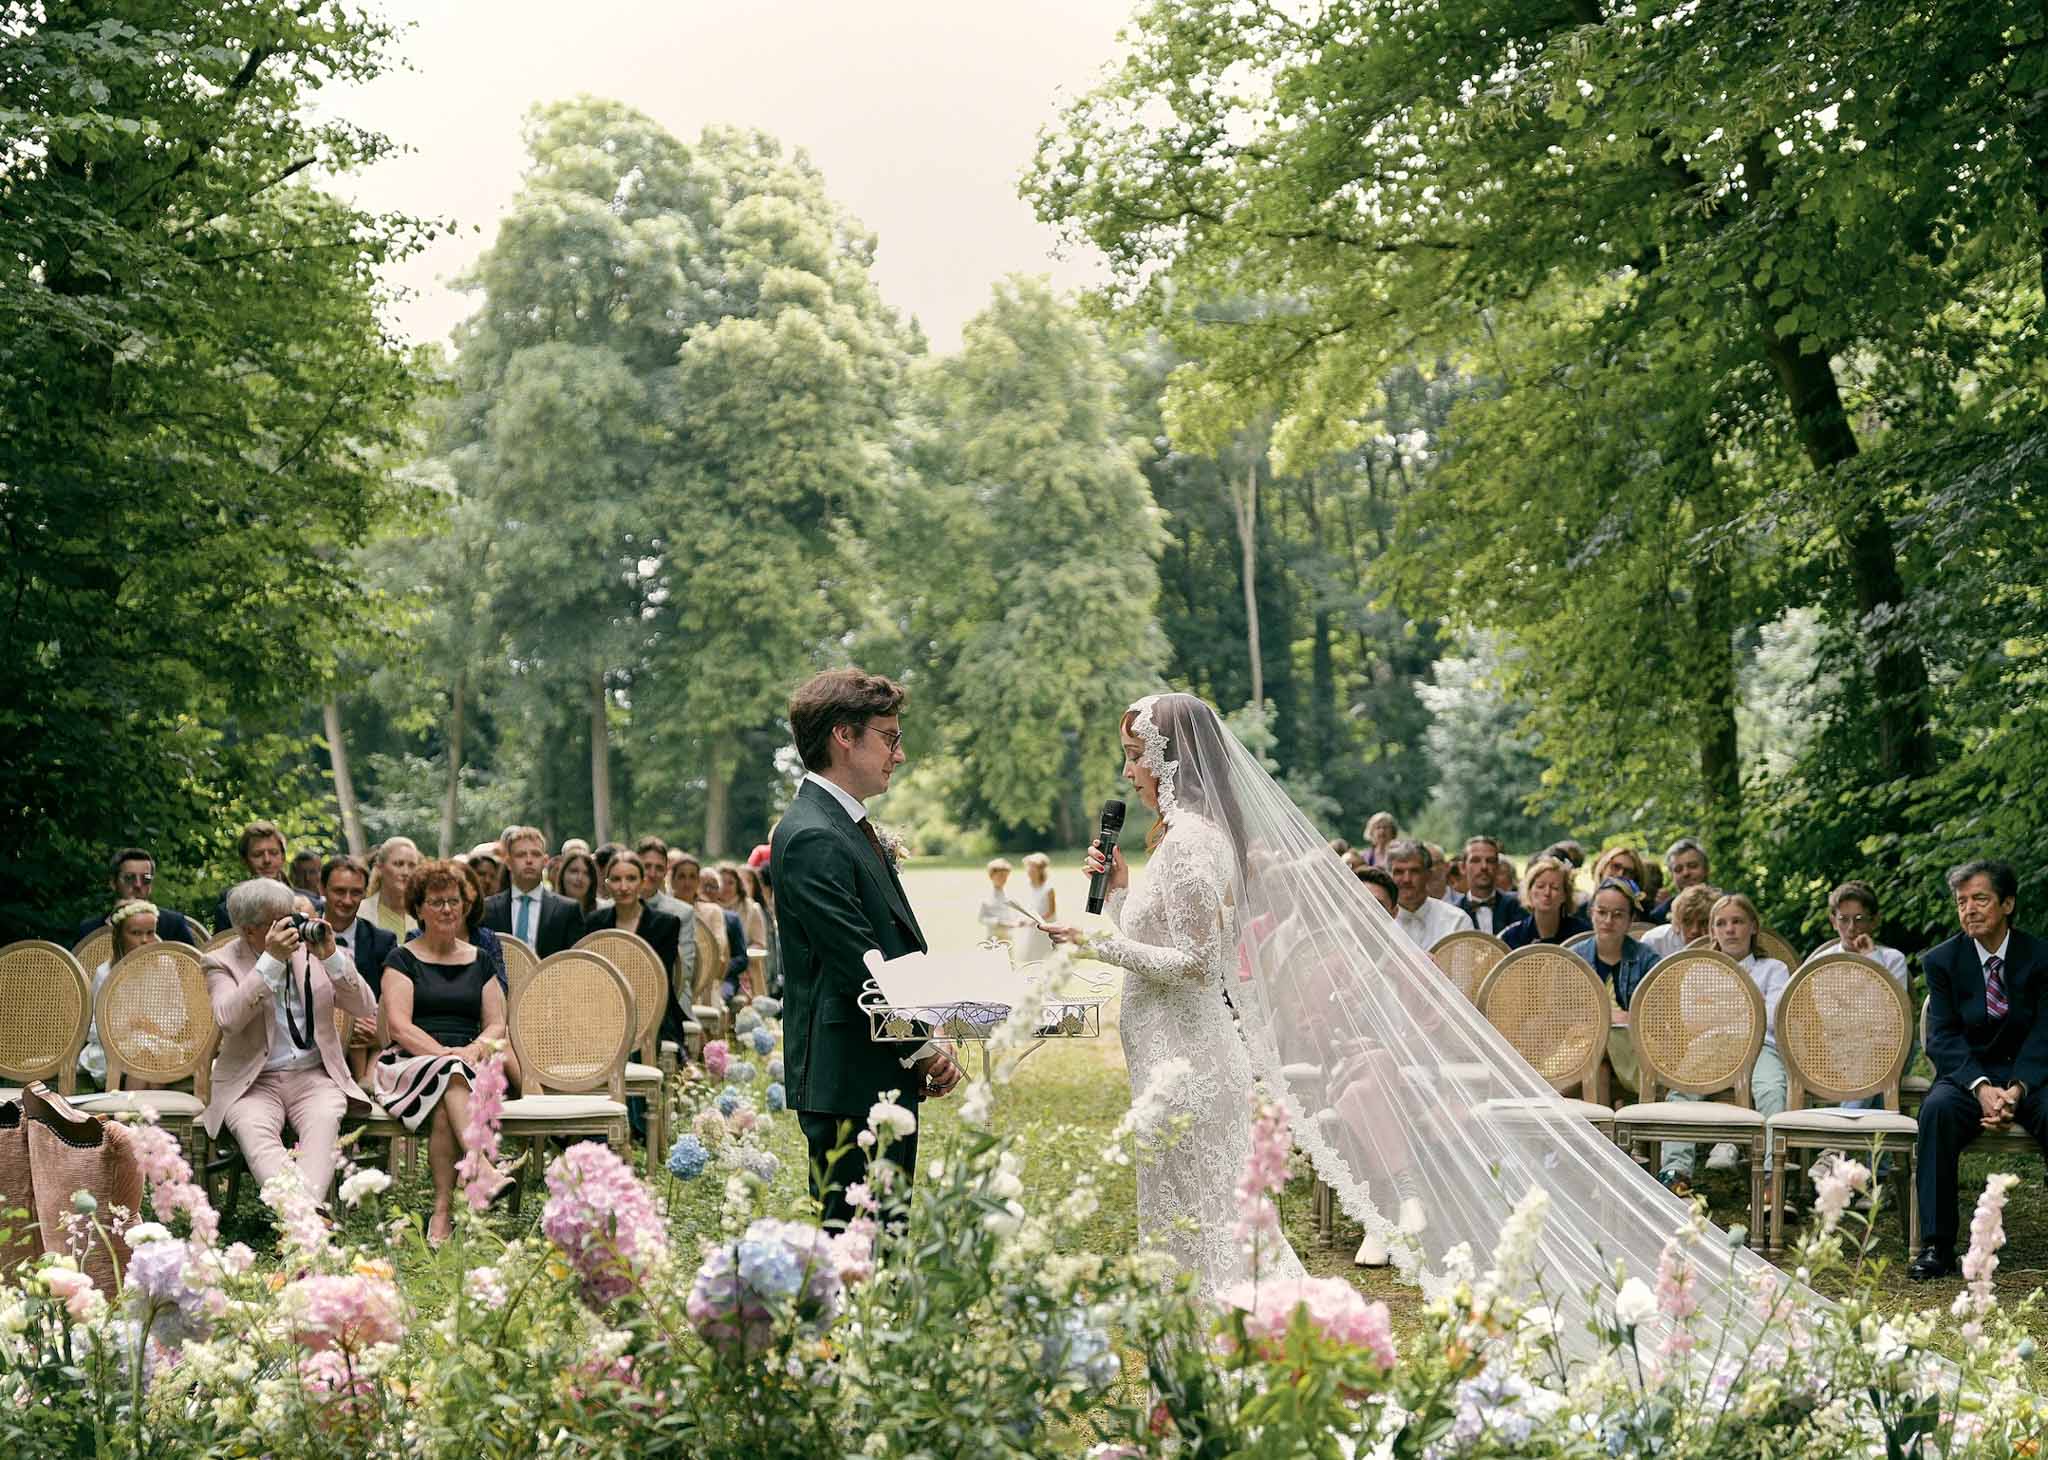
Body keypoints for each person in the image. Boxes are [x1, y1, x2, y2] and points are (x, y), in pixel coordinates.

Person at [1044, 694, 1308, 1296]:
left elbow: (1194, 965)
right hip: (1168, 1057)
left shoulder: (1192, 840)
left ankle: (1239, 1359)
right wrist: (1117, 893)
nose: (1127, 772)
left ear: (1171, 764)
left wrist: (1093, 942)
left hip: (1190, 1066)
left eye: (1135, 757)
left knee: (1212, 1230)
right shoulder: (1177, 839)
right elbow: (1155, 938)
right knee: (1183, 1229)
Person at [772, 668, 961, 1231]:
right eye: (890, 737)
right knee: (854, 1243)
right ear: (844, 736)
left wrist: (926, 1031)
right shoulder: (812, 835)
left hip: (876, 1062)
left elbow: (893, 945)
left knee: (886, 1235)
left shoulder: (844, 824)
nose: (899, 755)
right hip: (846, 1075)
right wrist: (923, 1049)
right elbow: (860, 964)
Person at [1910, 860, 2048, 1280]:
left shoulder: (2041, 957)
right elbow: (1943, 1037)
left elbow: (2046, 1032)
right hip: (1969, 1077)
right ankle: (1936, 1245)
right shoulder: (1942, 961)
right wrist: (1983, 1087)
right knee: (1936, 1112)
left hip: (2031, 1076)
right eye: (1962, 902)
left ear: (2007, 903)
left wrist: (2017, 1089)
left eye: (1980, 899)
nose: (1969, 909)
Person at [201, 878, 375, 1208]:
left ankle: (300, 1222)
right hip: (252, 1082)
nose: (292, 926)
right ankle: (308, 1220)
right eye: (278, 921)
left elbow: (365, 1006)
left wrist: (331, 957)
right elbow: (228, 1018)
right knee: (255, 1134)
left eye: (292, 916)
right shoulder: (220, 962)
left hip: (314, 1075)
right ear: (250, 930)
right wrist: (270, 961)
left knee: (324, 1124)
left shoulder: (311, 949)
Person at [374, 858, 513, 1245]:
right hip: (408, 1063)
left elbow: (496, 1024)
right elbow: (400, 1027)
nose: (447, 909)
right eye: (436, 902)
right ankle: (481, 1168)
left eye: (454, 901)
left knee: (446, 1096)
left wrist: (471, 1050)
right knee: (448, 1075)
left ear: (465, 906)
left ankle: (441, 1214)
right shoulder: (401, 960)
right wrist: (446, 1055)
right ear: (418, 909)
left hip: (468, 1065)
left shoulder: (480, 959)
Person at [1659, 892, 1790, 1192]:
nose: (1730, 929)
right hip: (1709, 1046)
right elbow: (1692, 1021)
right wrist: (1746, 1008)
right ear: (1712, 931)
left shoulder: (1774, 970)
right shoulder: (1699, 970)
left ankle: (1772, 1175)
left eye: (1738, 922)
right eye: (1722, 923)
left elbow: (1770, 1018)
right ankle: (1676, 1171)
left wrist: (1718, 1009)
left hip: (1759, 1048)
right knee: (1680, 1094)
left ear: (1753, 927)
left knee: (1772, 1089)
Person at [1566, 878, 1663, 1097]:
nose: (1608, 920)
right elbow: (1559, 1014)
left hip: (1635, 1047)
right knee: (1598, 1061)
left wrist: (1630, 1018)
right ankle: (1603, 1129)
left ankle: (1547, 1095)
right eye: (1602, 912)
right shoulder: (1574, 958)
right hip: (1579, 1043)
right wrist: (1604, 1017)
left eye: (1618, 914)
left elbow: (1659, 1017)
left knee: (1601, 1048)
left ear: (1630, 920)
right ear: (1591, 913)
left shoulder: (1647, 959)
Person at [582, 853, 685, 1034]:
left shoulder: (666, 924)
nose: (623, 887)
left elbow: (658, 979)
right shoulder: (594, 922)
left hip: (654, 1013)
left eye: (631, 879)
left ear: (642, 882)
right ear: (606, 884)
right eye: (616, 879)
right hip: (602, 1012)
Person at [78, 899, 162, 1088]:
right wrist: (125, 1026)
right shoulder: (106, 973)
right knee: (143, 1056)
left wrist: (154, 1026)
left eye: (150, 933)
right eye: (135, 933)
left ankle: (139, 1115)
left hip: (158, 1042)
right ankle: (141, 1115)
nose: (144, 940)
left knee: (152, 1055)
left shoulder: (166, 966)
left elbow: (178, 1013)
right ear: (120, 936)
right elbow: (92, 1026)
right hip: (112, 1047)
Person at [482, 826, 586, 957]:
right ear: (508, 862)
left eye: (536, 854)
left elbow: (575, 963)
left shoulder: (567, 910)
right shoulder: (488, 909)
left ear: (545, 861)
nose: (529, 860)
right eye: (521, 855)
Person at [74, 848, 202, 947]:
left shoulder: (173, 924)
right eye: (129, 878)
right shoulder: (90, 930)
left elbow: (192, 973)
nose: (138, 885)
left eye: (146, 879)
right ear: (113, 883)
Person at [210, 819, 307, 932]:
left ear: (283, 857)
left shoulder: (305, 903)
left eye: (273, 853)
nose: (267, 860)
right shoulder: (228, 906)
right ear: (245, 860)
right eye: (257, 855)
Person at [1386, 840, 1473, 949]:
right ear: (1389, 876)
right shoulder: (1379, 922)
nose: (1406, 879)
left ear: (1428, 875)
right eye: (1399, 872)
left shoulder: (1456, 920)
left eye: (1414, 871)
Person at [1499, 855, 1590, 949]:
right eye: (1540, 886)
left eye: (1555, 888)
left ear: (1565, 895)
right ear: (1529, 892)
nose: (1547, 893)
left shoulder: (1582, 936)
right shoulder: (1512, 937)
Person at [1449, 835, 1523, 936]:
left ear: (1497, 866)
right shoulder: (1453, 913)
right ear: (1463, 867)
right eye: (1475, 860)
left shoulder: (1518, 907)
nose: (1484, 867)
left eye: (1490, 861)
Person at [1639, 882, 1717, 959]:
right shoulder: (1654, 941)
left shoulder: (1723, 942)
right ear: (1676, 922)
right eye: (1687, 922)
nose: (1695, 930)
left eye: (1703, 923)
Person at [366, 835, 420, 936]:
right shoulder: (359, 913)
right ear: (380, 867)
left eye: (412, 865)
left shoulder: (424, 915)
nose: (406, 872)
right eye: (398, 864)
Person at [1648, 837, 1711, 924]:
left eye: (1692, 866)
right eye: (1678, 869)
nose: (1686, 873)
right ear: (1672, 875)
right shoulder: (1659, 916)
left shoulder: (1727, 905)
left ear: (1706, 869)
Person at [1012, 852, 1057, 964]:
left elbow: (1051, 912)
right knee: (1027, 956)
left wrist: (1035, 920)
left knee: (1043, 956)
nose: (1030, 871)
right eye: (1028, 868)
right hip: (1030, 926)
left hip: (1044, 926)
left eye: (1033, 868)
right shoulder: (1027, 886)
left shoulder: (1048, 889)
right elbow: (1027, 905)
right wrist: (1022, 919)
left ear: (1041, 870)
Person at [979, 858, 1019, 945]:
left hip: (1009, 937)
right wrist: (997, 922)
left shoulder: (1011, 895)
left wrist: (1015, 922)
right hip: (993, 937)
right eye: (1000, 876)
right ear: (991, 876)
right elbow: (982, 918)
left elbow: (1017, 914)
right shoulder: (987, 897)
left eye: (1006, 876)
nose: (1004, 879)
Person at [556, 848, 600, 918]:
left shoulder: (603, 910)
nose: (580, 878)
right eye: (574, 871)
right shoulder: (549, 910)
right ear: (562, 875)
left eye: (586, 873)